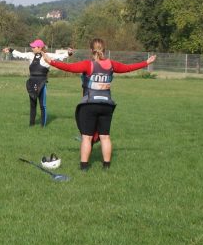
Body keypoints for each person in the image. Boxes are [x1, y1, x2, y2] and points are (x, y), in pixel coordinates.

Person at [43, 38, 156, 170]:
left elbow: (68, 67)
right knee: (105, 136)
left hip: (90, 104)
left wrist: (50, 61)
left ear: (91, 50)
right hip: (107, 105)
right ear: (104, 50)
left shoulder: (88, 65)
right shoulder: (112, 64)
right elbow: (128, 68)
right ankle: (106, 166)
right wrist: (146, 62)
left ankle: (84, 167)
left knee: (87, 137)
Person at [3, 39, 73, 126]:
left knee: (42, 105)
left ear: (40, 48)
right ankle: (31, 124)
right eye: (32, 46)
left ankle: (43, 126)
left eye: (34, 46)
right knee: (32, 104)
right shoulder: (30, 55)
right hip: (31, 82)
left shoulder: (47, 55)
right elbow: (20, 54)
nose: (32, 48)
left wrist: (69, 53)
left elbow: (59, 56)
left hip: (42, 83)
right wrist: (10, 50)